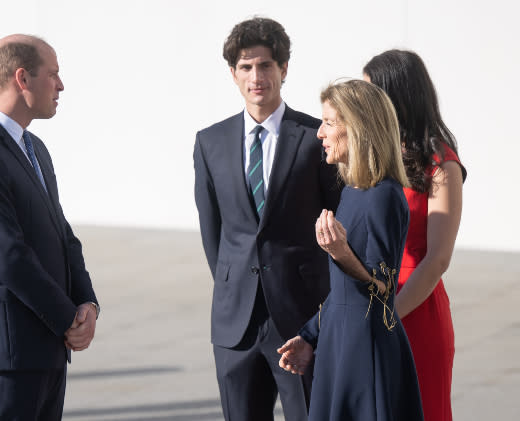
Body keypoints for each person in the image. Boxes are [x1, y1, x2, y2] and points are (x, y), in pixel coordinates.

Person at [193, 17, 342, 421]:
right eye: (245, 67)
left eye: (265, 65)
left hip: (300, 316)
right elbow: (214, 232)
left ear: (283, 69)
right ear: (233, 73)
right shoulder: (210, 142)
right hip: (234, 322)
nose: (256, 76)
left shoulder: (316, 137)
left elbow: (338, 221)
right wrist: (233, 283)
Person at [0, 34, 100, 420]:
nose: (61, 85)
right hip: (10, 356)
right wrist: (67, 318)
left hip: (47, 351)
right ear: (22, 78)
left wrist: (87, 303)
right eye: (53, 74)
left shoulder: (35, 149)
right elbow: (8, 257)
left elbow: (63, 236)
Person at [277, 79, 424, 421]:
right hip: (339, 342)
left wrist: (341, 253)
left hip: (365, 349)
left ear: (356, 128)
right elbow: (343, 292)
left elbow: (382, 289)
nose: (319, 133)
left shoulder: (383, 196)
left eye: (329, 122)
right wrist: (310, 335)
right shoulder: (352, 192)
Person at [363, 49, 467, 421]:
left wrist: (389, 314)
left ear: (398, 97)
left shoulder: (440, 163)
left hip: (416, 309)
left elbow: (438, 258)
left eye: (372, 94)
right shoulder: (375, 155)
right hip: (372, 307)